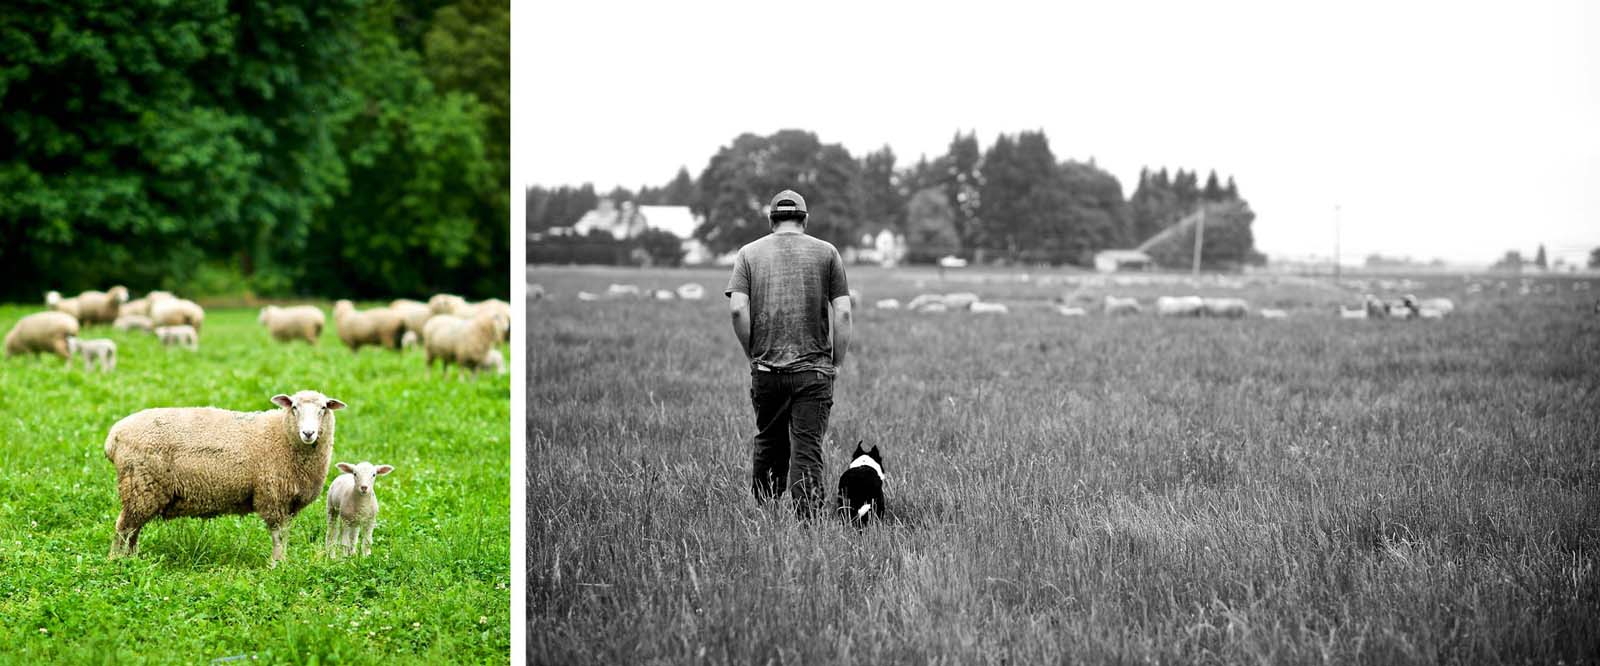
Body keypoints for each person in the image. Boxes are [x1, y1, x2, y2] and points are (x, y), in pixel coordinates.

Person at [724, 189, 852, 519]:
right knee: (807, 448)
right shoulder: (827, 253)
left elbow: (738, 309)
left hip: (766, 369)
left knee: (770, 442)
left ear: (770, 221)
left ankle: (766, 517)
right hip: (815, 372)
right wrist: (835, 363)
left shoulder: (748, 254)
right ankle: (807, 524)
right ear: (805, 220)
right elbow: (844, 312)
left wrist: (753, 353)